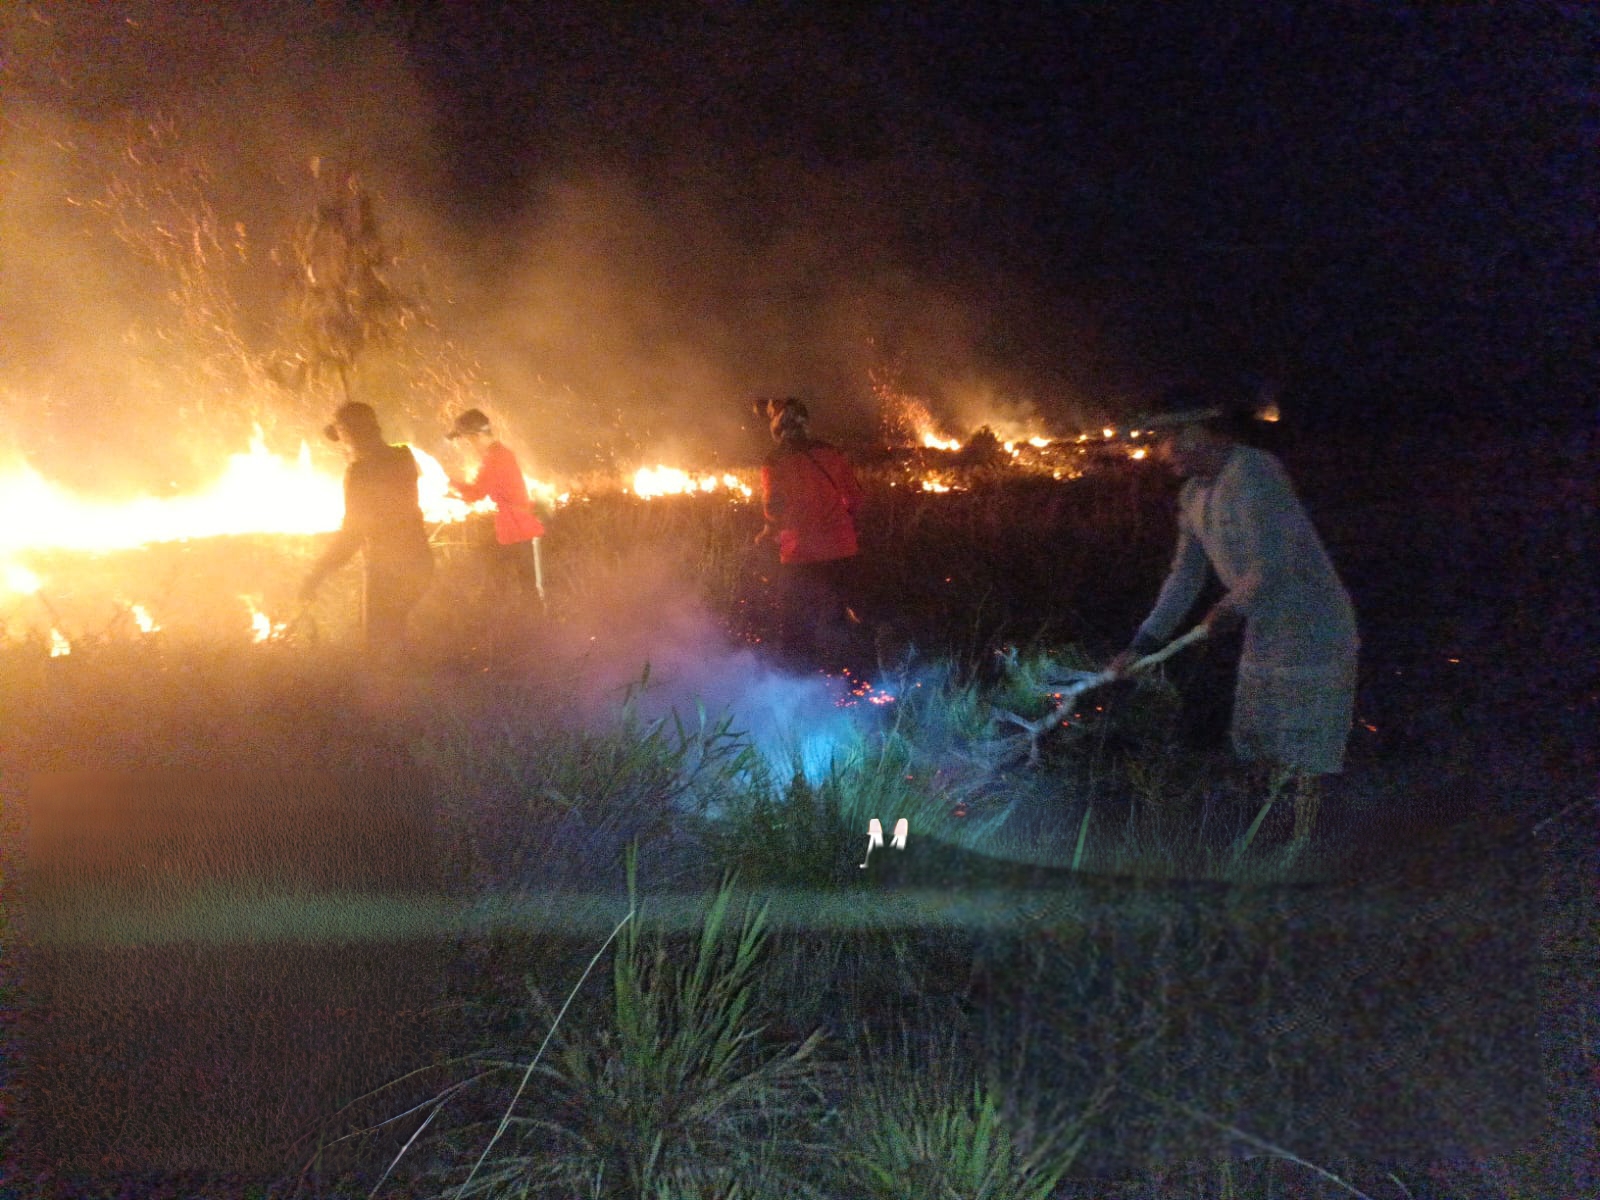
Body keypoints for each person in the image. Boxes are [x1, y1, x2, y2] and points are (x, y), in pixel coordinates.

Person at [1109, 382, 1359, 843]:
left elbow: (1273, 563)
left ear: (1206, 430)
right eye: (1159, 441)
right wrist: (1143, 643)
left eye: (1171, 437)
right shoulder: (1192, 497)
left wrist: (1227, 609)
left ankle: (1308, 846)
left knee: (1303, 747)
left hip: (1313, 628)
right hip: (1265, 630)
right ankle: (1266, 839)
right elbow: (1184, 577)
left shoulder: (1255, 472)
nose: (1164, 452)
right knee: (1256, 739)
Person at [299, 401, 434, 656]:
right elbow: (383, 459)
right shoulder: (404, 456)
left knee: (380, 649)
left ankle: (394, 693)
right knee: (395, 638)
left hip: (387, 570)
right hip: (419, 561)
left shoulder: (359, 473)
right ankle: (412, 690)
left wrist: (316, 574)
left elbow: (352, 534)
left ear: (348, 433)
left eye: (342, 435)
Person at [756, 397, 865, 668]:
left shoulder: (775, 462)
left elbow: (774, 508)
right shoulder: (831, 453)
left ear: (777, 428)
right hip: (842, 550)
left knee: (795, 627)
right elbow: (855, 497)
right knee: (843, 616)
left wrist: (768, 532)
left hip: (800, 554)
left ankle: (801, 683)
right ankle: (852, 673)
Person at [444, 408, 544, 602]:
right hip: (514, 527)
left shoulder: (495, 458)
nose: (469, 445)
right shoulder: (497, 454)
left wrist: (447, 481)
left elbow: (476, 494)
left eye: (468, 439)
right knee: (520, 588)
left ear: (478, 435)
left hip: (520, 528)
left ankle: (539, 627)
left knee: (529, 590)